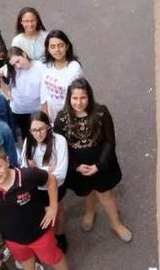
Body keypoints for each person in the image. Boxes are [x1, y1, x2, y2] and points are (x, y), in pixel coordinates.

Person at [52, 78, 131, 243]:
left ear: (89, 97)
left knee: (105, 194)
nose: (79, 102)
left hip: (100, 163)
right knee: (87, 191)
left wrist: (99, 165)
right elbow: (59, 146)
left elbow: (110, 141)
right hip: (78, 166)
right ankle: (90, 212)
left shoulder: (101, 112)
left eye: (83, 98)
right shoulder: (61, 117)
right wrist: (76, 166)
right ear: (69, 98)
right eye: (75, 98)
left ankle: (116, 223)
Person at [0, 144, 68, 270]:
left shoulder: (28, 175)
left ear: (7, 160)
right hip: (13, 239)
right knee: (26, 263)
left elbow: (51, 180)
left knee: (54, 259)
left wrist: (53, 206)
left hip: (40, 233)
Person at [19, 111, 69, 252]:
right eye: (34, 130)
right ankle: (50, 237)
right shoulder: (28, 141)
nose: (38, 134)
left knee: (58, 210)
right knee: (43, 214)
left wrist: (36, 170)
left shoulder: (59, 141)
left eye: (42, 129)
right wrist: (48, 169)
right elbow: (24, 167)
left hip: (57, 188)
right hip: (37, 190)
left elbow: (61, 173)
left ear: (48, 127)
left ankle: (60, 234)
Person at [0, 46, 43, 141]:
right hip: (19, 110)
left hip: (37, 109)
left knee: (40, 134)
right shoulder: (11, 69)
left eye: (18, 61)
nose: (17, 66)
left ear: (24, 55)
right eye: (14, 65)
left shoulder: (40, 67)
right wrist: (7, 92)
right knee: (25, 135)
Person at [40, 31, 82, 122]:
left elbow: (77, 93)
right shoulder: (46, 65)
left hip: (68, 110)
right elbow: (43, 89)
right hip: (51, 109)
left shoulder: (74, 68)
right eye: (52, 47)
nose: (57, 50)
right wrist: (45, 111)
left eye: (60, 45)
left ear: (67, 46)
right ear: (47, 49)